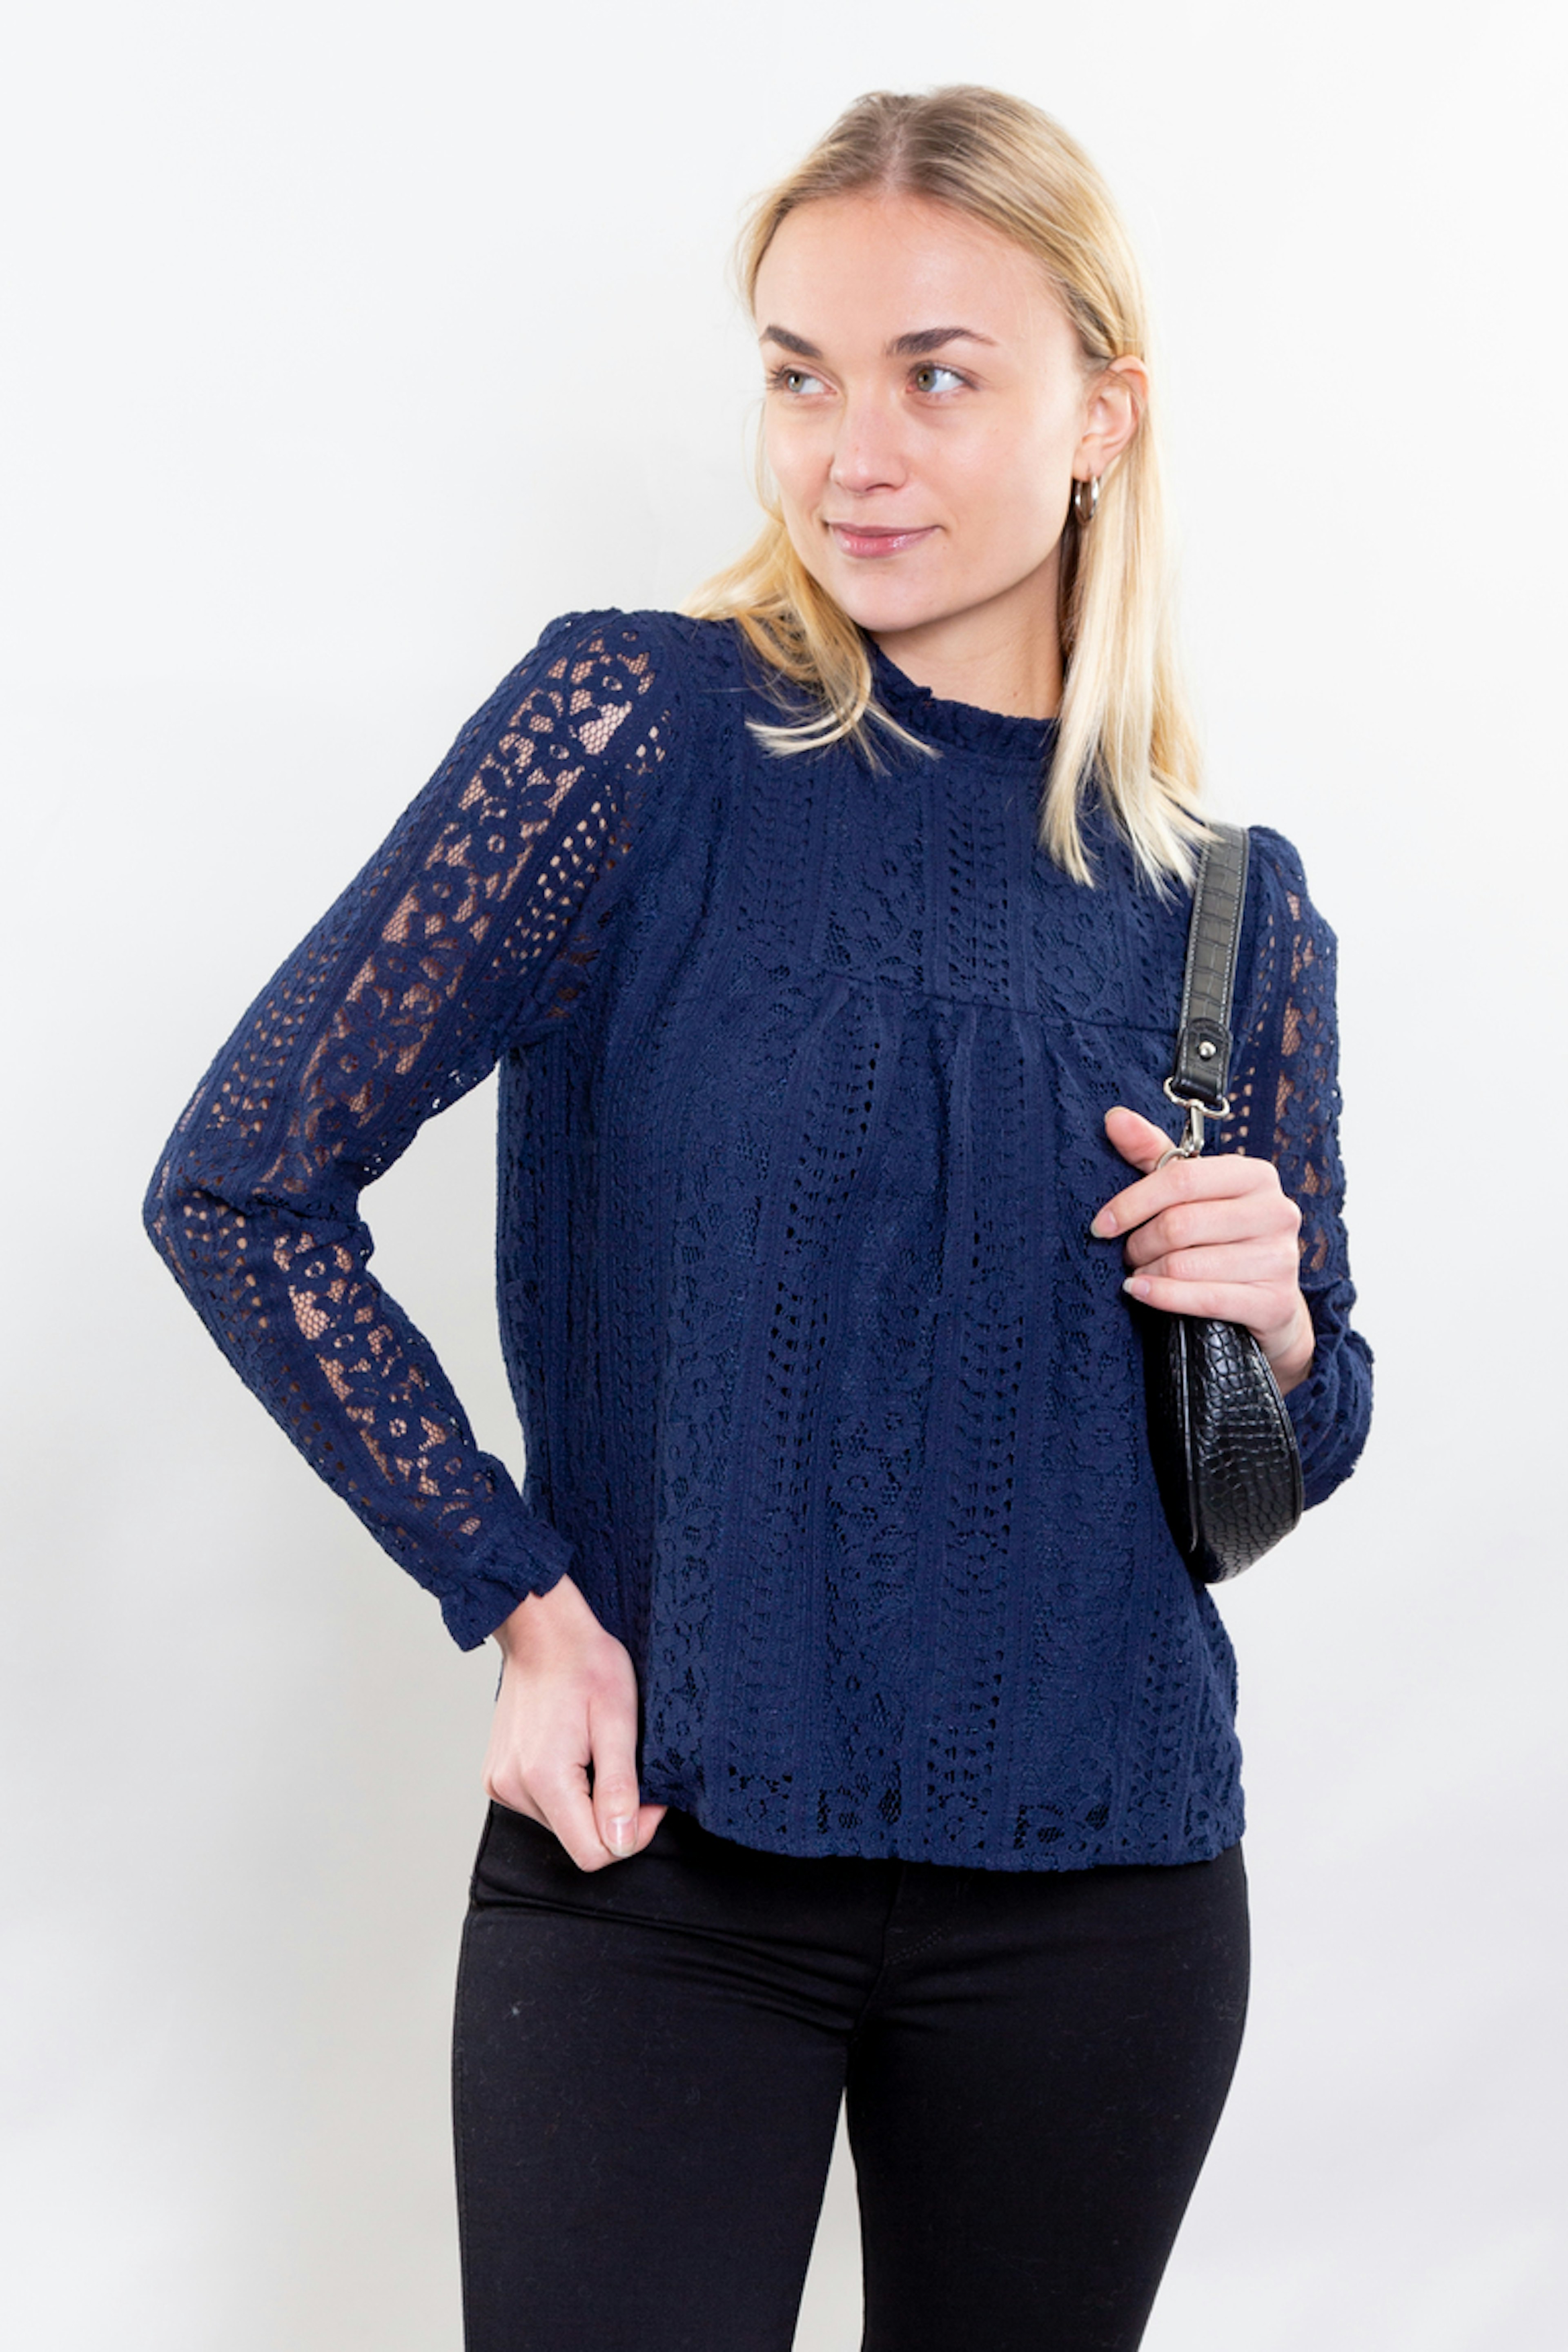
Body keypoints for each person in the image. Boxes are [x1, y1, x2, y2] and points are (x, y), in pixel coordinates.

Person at [145, 83, 1372, 2352]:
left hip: (1104, 1897)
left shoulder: (1229, 908)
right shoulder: (638, 733)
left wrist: (1285, 1326)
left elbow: (1278, 1470)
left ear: (1102, 417)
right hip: (659, 1863)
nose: (850, 453)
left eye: (936, 376)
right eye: (802, 374)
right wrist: (520, 1598)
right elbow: (243, 1182)